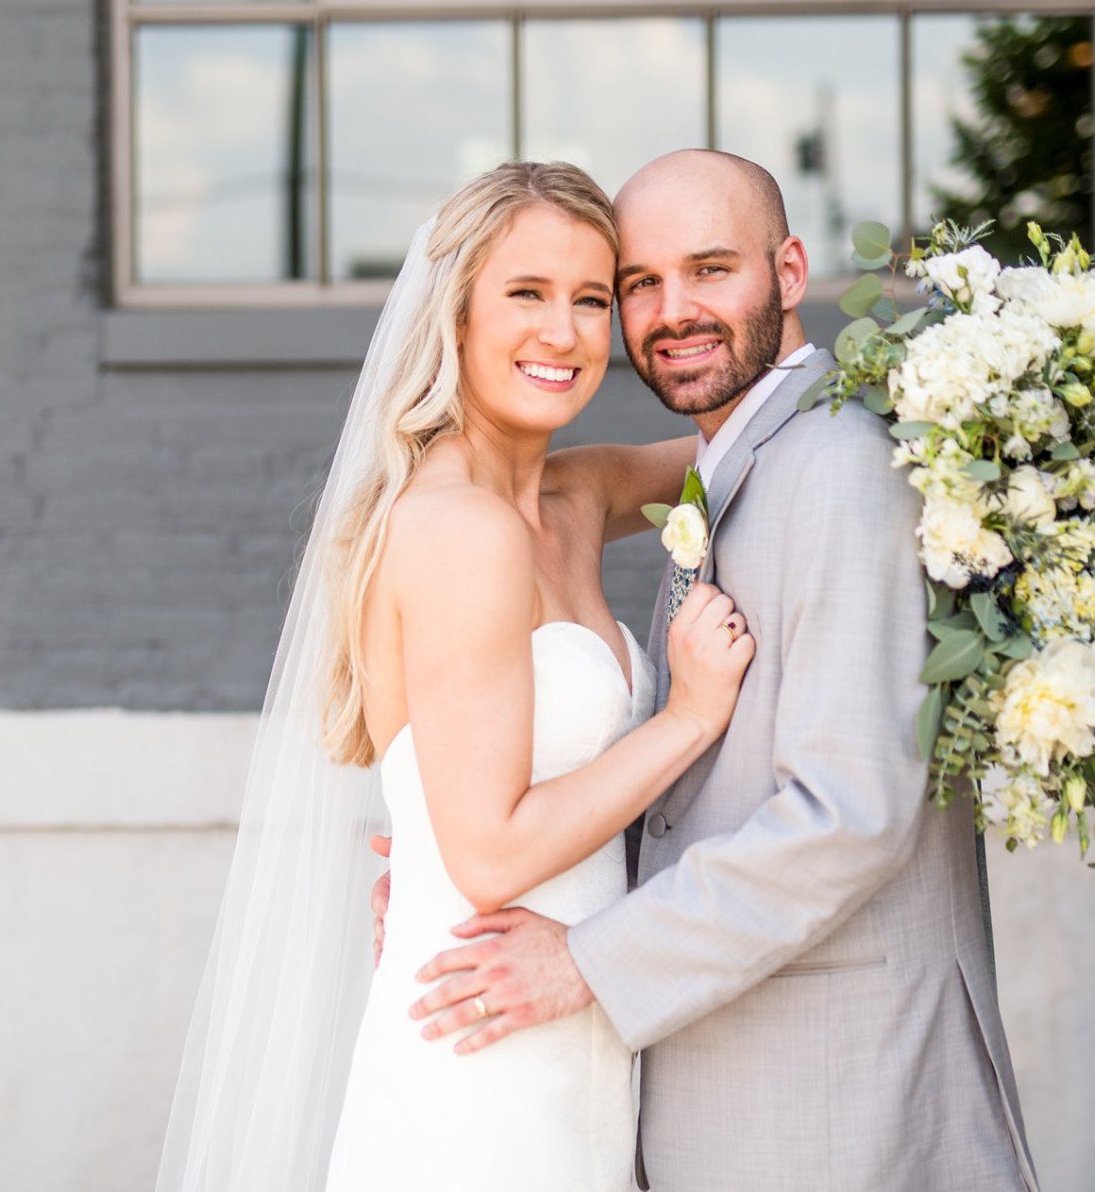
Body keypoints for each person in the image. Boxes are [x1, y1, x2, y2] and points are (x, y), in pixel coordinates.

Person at [401, 149, 1040, 1191]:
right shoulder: (739, 455)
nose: (671, 309)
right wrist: (429, 847)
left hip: (832, 1097)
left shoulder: (835, 469)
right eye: (639, 283)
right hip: (732, 1085)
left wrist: (584, 959)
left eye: (709, 269)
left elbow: (847, 813)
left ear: (788, 272)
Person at [155, 160, 751, 1192]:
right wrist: (688, 718)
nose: (561, 334)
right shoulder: (458, 529)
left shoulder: (568, 494)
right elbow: (487, 852)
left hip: (571, 1037)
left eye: (589, 299)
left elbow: (745, 441)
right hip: (480, 1049)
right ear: (455, 314)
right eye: (524, 293)